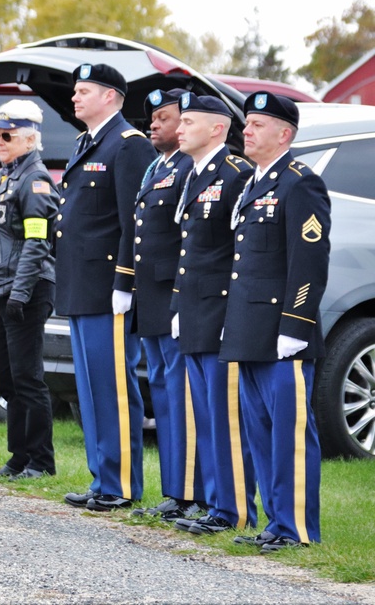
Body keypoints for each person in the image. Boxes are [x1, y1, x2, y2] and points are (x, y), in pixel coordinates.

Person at [219, 92, 330, 553]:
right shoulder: (254, 181)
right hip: (249, 328)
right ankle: (275, 521)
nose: (247, 130)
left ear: (284, 134)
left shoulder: (299, 183)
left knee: (291, 435)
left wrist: (296, 324)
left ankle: (298, 527)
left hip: (284, 333)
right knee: (261, 433)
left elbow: (310, 261)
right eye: (247, 123)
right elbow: (245, 263)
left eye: (258, 124)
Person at [55, 64, 157, 511]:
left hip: (108, 288)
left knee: (113, 385)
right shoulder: (87, 142)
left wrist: (125, 281)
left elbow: (134, 221)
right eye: (75, 91)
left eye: (84, 91)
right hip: (81, 285)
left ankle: (122, 483)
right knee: (90, 387)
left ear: (111, 97)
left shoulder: (129, 145)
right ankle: (102, 478)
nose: (74, 98)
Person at [169, 93, 257, 536]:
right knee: (205, 415)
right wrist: (178, 306)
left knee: (226, 418)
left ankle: (235, 509)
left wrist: (231, 313)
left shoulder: (235, 174)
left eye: (188, 121)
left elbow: (241, 252)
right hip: (195, 310)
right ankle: (215, 502)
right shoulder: (195, 174)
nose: (178, 129)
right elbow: (191, 251)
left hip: (220, 311)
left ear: (217, 128)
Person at [0, 100, 59, 481]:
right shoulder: (0, 178)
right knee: (5, 378)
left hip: (27, 290)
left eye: (8, 135)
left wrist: (21, 293)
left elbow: (38, 243)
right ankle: (18, 458)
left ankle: (40, 461)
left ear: (30, 138)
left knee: (26, 377)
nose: (0, 141)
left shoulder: (35, 180)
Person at [130, 88, 206, 522]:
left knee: (182, 395)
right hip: (152, 294)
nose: (154, 124)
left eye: (164, 117)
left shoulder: (188, 168)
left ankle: (193, 491)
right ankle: (174, 491)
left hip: (173, 294)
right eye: (153, 118)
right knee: (163, 392)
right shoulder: (158, 166)